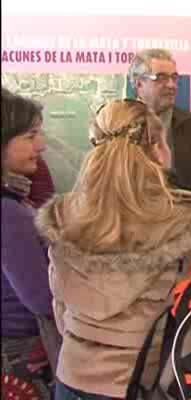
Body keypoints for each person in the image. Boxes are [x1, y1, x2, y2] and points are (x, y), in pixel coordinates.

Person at [35, 99, 191, 400]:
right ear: (158, 152)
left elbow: (62, 313)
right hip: (149, 385)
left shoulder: (65, 219)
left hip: (71, 382)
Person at [1, 90, 55, 399]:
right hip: (20, 353)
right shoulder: (8, 211)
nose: (42, 144)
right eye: (31, 135)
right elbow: (41, 297)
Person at [128, 48, 191, 198]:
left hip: (182, 216)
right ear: (139, 84)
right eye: (161, 78)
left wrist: (188, 207)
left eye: (174, 78)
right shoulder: (117, 123)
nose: (171, 85)